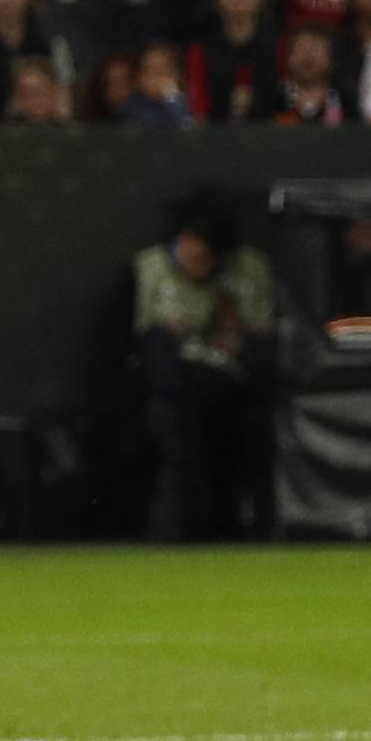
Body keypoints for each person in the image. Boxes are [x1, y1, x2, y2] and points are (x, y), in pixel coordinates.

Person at [132, 199, 275, 540]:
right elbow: (137, 344)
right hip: (173, 392)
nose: (205, 268)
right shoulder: (147, 269)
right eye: (201, 258)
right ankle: (178, 531)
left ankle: (244, 526)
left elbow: (262, 335)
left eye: (214, 262)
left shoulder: (248, 270)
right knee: (180, 434)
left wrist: (237, 333)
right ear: (188, 240)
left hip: (234, 389)